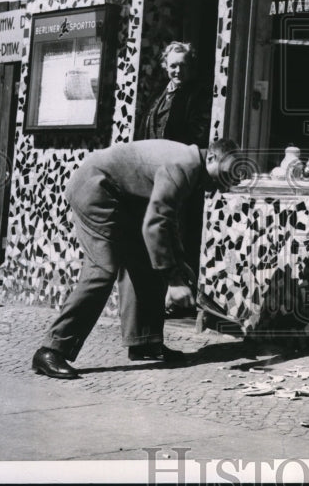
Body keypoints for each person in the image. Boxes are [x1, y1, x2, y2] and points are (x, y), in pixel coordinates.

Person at [31, 138, 240, 380]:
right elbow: (156, 223)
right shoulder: (184, 166)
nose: (226, 185)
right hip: (95, 189)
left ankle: (144, 341)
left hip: (121, 197)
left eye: (233, 180)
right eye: (225, 174)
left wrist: (178, 261)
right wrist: (174, 282)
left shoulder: (192, 167)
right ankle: (51, 350)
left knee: (145, 260)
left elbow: (166, 218)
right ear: (212, 158)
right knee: (102, 270)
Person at [139, 41, 210, 146]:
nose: (178, 71)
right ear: (166, 67)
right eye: (173, 66)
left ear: (190, 67)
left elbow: (198, 136)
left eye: (183, 65)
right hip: (151, 157)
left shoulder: (199, 95)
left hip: (176, 159)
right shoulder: (157, 93)